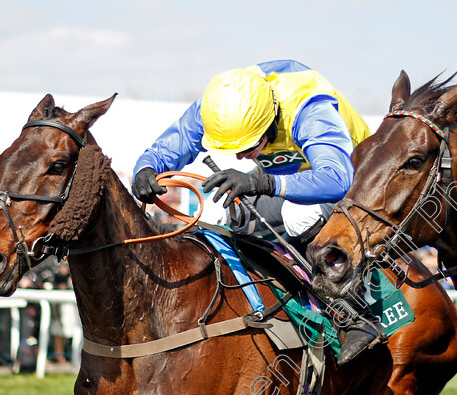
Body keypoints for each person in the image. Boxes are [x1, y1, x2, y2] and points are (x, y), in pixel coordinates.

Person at [131, 59, 381, 365]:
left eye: (248, 145)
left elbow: (336, 179)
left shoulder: (309, 109)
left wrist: (259, 181)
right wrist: (146, 168)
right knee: (216, 212)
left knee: (297, 215)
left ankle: (359, 310)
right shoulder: (220, 105)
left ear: (270, 121)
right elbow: (176, 142)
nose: (239, 155)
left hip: (356, 189)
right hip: (288, 184)